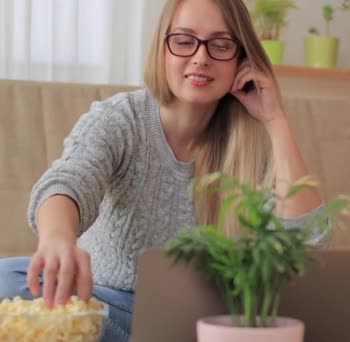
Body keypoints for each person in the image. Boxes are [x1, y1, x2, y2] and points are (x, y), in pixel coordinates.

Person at [0, 0, 328, 341]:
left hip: (206, 320)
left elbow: (306, 247)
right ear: (163, 49)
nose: (200, 57)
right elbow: (68, 181)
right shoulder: (120, 119)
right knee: (8, 279)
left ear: (241, 59)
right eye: (185, 41)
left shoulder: (254, 142)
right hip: (109, 310)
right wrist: (57, 239)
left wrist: (277, 120)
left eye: (220, 45)